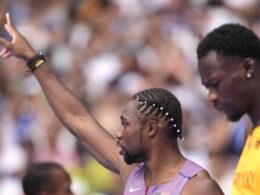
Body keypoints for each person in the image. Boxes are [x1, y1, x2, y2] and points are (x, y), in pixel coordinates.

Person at [0, 13, 224, 195]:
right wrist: (32, 58)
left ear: (151, 128)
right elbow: (78, 120)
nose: (118, 133)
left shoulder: (197, 187)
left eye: (125, 124)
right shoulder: (132, 171)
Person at [197, 23, 260, 195]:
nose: (212, 97)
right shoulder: (250, 132)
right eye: (207, 88)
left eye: (215, 84)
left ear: (248, 68)